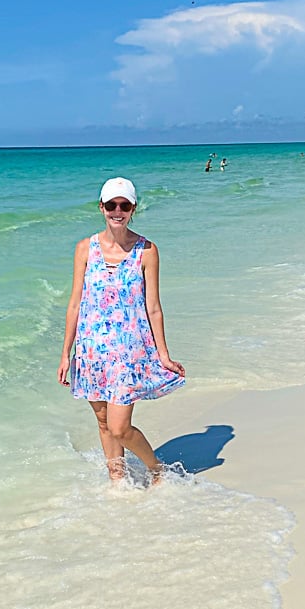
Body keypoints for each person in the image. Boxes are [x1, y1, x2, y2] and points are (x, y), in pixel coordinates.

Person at [57, 177, 185, 483]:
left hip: (129, 352)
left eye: (124, 205)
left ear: (133, 209)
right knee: (102, 422)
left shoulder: (147, 251)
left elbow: (153, 307)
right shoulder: (84, 249)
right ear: (101, 208)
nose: (118, 211)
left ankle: (156, 470)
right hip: (91, 351)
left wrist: (163, 355)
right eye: (112, 205)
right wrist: (66, 354)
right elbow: (75, 303)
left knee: (119, 427)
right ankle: (117, 480)